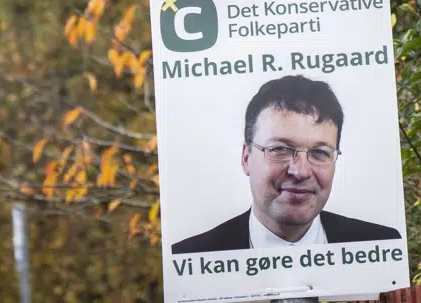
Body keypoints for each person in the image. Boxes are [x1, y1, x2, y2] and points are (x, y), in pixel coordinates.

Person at [171, 76, 401, 252]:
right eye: (280, 149)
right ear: (246, 157)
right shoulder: (190, 259)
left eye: (319, 152)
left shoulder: (379, 247)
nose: (300, 171)